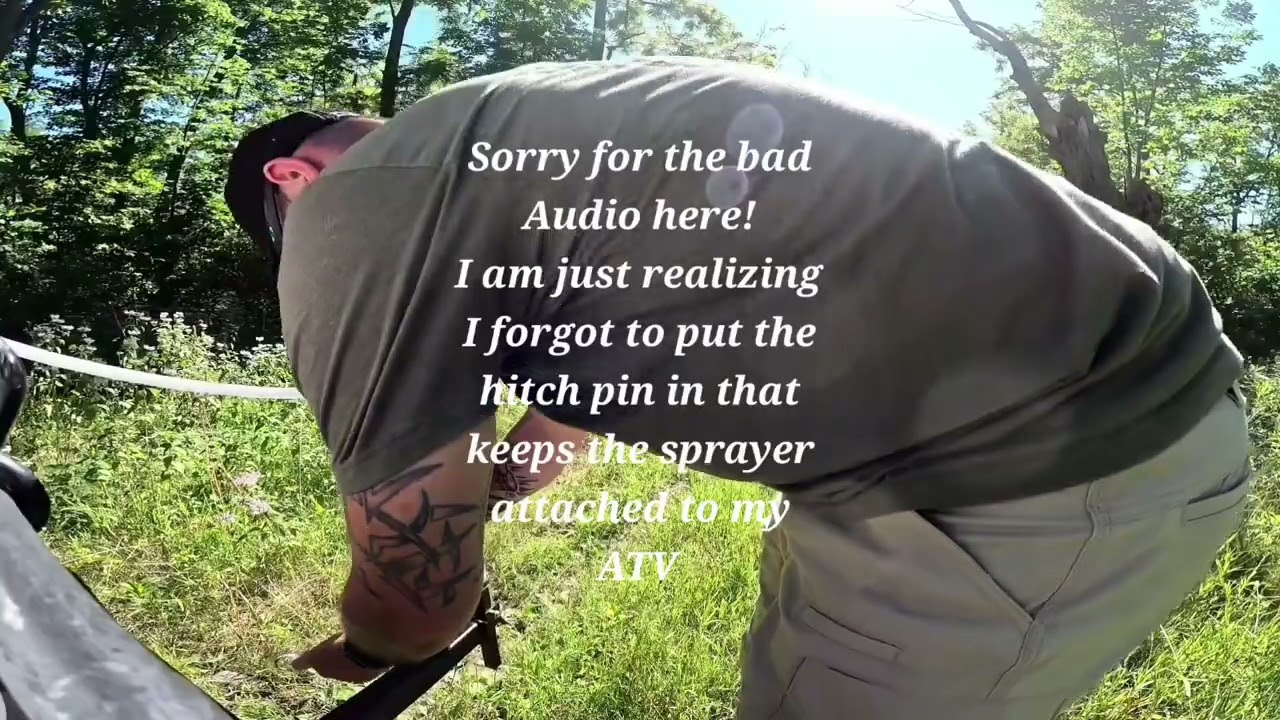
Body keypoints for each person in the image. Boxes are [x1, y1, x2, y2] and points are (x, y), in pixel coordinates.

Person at [223, 56, 1251, 720]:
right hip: (1139, 390)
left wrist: (372, 641)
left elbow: (416, 604)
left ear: (287, 184)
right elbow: (568, 411)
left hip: (1024, 479)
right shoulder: (507, 134)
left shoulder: (353, 208)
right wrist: (490, 477)